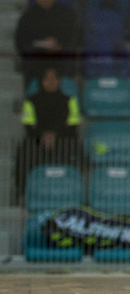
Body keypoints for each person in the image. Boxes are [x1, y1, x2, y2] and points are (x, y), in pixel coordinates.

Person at [16, 64, 81, 198]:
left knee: (75, 148)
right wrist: (43, 135)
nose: (51, 81)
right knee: (25, 151)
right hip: (37, 141)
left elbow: (73, 125)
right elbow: (29, 125)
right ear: (41, 81)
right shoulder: (30, 101)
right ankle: (24, 194)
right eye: (47, 78)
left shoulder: (70, 100)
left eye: (54, 78)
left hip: (63, 140)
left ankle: (72, 193)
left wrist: (55, 135)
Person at [16, 0, 77, 87]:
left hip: (61, 61)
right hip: (37, 62)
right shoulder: (28, 17)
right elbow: (21, 42)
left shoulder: (67, 14)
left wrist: (60, 46)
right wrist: (40, 45)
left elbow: (75, 38)